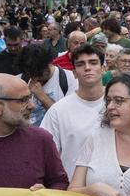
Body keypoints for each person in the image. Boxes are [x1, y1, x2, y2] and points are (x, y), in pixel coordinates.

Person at [39, 44, 107, 179]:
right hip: (71, 191)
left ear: (103, 68)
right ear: (74, 73)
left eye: (93, 63)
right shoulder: (58, 111)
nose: (87, 68)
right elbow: (44, 155)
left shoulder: (119, 105)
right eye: (81, 64)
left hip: (112, 192)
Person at [18, 43, 76, 126]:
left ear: (49, 64)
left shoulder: (69, 79)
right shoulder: (23, 79)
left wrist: (42, 96)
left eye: (39, 73)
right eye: (31, 74)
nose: (35, 78)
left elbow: (66, 118)